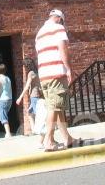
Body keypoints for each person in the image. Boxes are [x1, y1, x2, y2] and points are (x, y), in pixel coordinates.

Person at [36, 9, 82, 151]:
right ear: (59, 19)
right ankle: (48, 141)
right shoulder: (58, 28)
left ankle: (67, 138)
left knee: (57, 108)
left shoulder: (40, 33)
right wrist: (68, 68)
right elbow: (62, 49)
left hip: (44, 75)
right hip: (56, 73)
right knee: (54, 107)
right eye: (62, 21)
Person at [15, 58, 41, 135]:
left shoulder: (31, 73)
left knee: (37, 114)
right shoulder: (36, 72)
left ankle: (39, 130)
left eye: (24, 65)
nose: (24, 67)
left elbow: (26, 86)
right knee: (30, 112)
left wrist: (20, 98)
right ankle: (34, 130)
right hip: (36, 94)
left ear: (27, 65)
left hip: (34, 95)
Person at [0, 63, 13, 138]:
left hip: (3, 100)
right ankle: (7, 132)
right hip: (9, 99)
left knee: (3, 117)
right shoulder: (8, 78)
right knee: (5, 115)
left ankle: (8, 133)